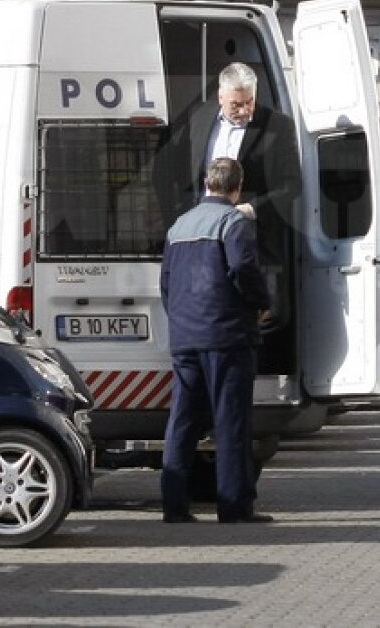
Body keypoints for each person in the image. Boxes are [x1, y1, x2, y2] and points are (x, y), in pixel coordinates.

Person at [160, 157, 274, 524]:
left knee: (182, 421)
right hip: (226, 336)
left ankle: (174, 506)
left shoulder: (179, 225)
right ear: (237, 188)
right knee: (230, 421)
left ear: (207, 184)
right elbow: (242, 267)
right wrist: (261, 303)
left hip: (185, 336)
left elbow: (166, 282)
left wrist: (180, 318)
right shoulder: (233, 222)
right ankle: (234, 506)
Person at [184, 62, 300, 275]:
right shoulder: (198, 117)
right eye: (236, 104)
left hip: (254, 245)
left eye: (250, 102)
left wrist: (252, 209)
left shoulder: (278, 126)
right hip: (205, 239)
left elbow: (292, 185)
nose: (245, 110)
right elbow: (183, 173)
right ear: (220, 97)